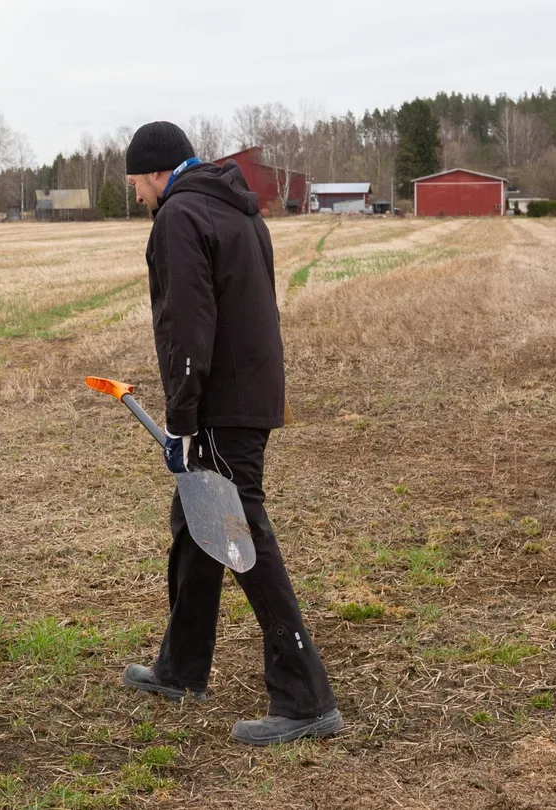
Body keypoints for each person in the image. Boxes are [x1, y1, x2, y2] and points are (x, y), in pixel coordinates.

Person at [120, 121, 343, 745]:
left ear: (158, 172)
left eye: (137, 182)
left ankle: (305, 698)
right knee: (197, 523)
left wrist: (182, 420)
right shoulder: (237, 210)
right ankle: (180, 668)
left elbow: (188, 326)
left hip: (223, 403)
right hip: (250, 393)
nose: (137, 194)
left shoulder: (179, 217)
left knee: (241, 535)